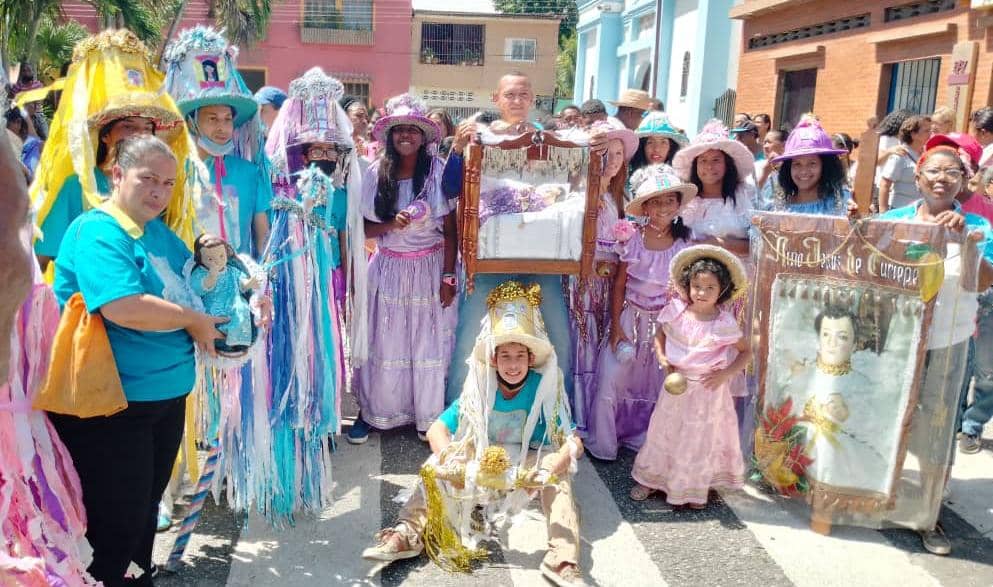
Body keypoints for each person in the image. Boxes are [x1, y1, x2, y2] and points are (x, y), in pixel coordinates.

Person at [47, 135, 230, 586]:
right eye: (147, 179)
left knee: (143, 509)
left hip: (162, 397)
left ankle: (137, 576)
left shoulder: (157, 231)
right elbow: (123, 306)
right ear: (116, 175)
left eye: (167, 183)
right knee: (114, 522)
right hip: (112, 404)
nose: (158, 192)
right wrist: (193, 320)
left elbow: (192, 282)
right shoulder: (98, 230)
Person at [362, 280, 586, 586]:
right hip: (483, 456)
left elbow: (573, 442)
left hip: (528, 458)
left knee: (559, 478)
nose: (512, 365)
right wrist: (450, 460)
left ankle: (562, 559)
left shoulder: (545, 386)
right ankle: (406, 534)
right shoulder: (479, 385)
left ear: (530, 359)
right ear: (493, 359)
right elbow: (438, 429)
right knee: (435, 466)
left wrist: (549, 469)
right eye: (505, 356)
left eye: (519, 356)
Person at [261, 67, 366, 519]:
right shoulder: (275, 181)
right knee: (287, 353)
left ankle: (318, 421)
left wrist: (342, 283)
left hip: (323, 281)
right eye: (311, 148)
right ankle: (285, 423)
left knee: (320, 348)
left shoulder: (338, 188)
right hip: (283, 281)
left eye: (328, 149)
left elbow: (344, 234)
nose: (320, 156)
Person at [880, 146, 993, 555]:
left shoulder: (979, 226)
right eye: (933, 171)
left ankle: (929, 514)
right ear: (919, 177)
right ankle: (880, 497)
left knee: (940, 428)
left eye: (951, 173)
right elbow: (865, 261)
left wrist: (965, 241)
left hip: (949, 343)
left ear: (964, 181)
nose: (941, 179)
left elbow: (977, 285)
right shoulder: (893, 221)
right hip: (898, 342)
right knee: (894, 419)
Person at [443, 72, 577, 406]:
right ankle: (456, 413)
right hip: (491, 256)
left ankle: (563, 415)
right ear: (496, 99)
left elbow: (571, 186)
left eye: (524, 94)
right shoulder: (479, 138)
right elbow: (449, 188)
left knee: (559, 334)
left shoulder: (551, 141)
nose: (517, 101)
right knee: (470, 333)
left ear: (533, 99)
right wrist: (458, 150)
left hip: (543, 257)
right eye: (510, 95)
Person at [31, 29, 194, 271]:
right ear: (105, 135)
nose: (139, 136)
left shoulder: (159, 185)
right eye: (128, 127)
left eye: (146, 128)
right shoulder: (76, 187)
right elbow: (43, 262)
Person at [351, 94, 458, 444]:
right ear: (390, 136)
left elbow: (452, 227)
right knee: (385, 342)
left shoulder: (438, 171)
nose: (406, 136)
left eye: (413, 129)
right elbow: (362, 230)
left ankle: (427, 417)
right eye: (400, 130)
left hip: (429, 268)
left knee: (426, 344)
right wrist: (390, 226)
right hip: (388, 269)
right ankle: (374, 413)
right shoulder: (374, 172)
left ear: (424, 135)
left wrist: (448, 276)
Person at [586, 165, 693, 461]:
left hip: (666, 325)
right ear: (645, 206)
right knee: (612, 375)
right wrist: (617, 328)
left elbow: (687, 290)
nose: (663, 208)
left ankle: (652, 441)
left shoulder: (685, 242)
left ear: (678, 204)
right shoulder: (632, 237)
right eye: (656, 202)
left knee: (660, 382)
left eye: (669, 201)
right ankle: (607, 441)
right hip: (630, 318)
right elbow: (620, 284)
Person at [631, 245, 750, 507]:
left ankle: (694, 487)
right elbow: (660, 334)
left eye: (710, 288)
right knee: (665, 431)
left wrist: (725, 375)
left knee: (699, 438)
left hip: (709, 391)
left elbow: (745, 353)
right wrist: (662, 359)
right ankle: (651, 480)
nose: (702, 293)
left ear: (723, 290)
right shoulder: (678, 312)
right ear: (688, 285)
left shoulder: (724, 322)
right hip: (678, 385)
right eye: (697, 286)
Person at [163, 26, 273, 258]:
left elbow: (263, 233)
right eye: (212, 119)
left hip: (238, 283)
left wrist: (263, 281)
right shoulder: (174, 172)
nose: (222, 127)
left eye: (227, 119)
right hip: (185, 284)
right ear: (192, 122)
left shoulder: (250, 173)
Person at [567, 120, 637, 434]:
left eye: (619, 152)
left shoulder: (622, 195)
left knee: (604, 347)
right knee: (582, 343)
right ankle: (578, 417)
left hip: (611, 284)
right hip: (583, 280)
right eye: (606, 152)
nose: (613, 158)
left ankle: (602, 421)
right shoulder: (579, 189)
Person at [673, 120, 755, 257]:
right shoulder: (685, 200)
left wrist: (722, 244)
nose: (709, 167)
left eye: (716, 160)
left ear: (727, 163)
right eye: (703, 160)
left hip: (739, 274)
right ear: (695, 166)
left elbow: (761, 244)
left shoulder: (745, 195)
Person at [763, 119, 851, 215]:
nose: (804, 171)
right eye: (797, 164)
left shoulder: (840, 205)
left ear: (825, 166)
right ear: (788, 169)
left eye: (812, 163)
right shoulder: (778, 208)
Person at [879, 115, 930, 213]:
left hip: (920, 211)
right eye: (926, 131)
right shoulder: (900, 155)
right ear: (913, 134)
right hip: (900, 210)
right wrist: (883, 212)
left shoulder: (926, 154)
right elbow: (885, 185)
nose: (930, 134)